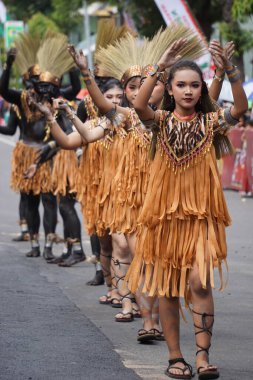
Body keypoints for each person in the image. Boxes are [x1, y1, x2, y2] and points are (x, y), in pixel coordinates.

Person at [126, 39, 248, 379]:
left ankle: (203, 356)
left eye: (195, 85)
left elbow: (239, 108)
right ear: (171, 88)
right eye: (181, 85)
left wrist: (232, 71)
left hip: (201, 219)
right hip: (165, 219)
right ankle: (175, 358)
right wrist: (159, 66)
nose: (189, 91)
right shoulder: (160, 121)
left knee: (200, 283)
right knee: (167, 287)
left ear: (202, 89)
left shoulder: (211, 123)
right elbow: (138, 105)